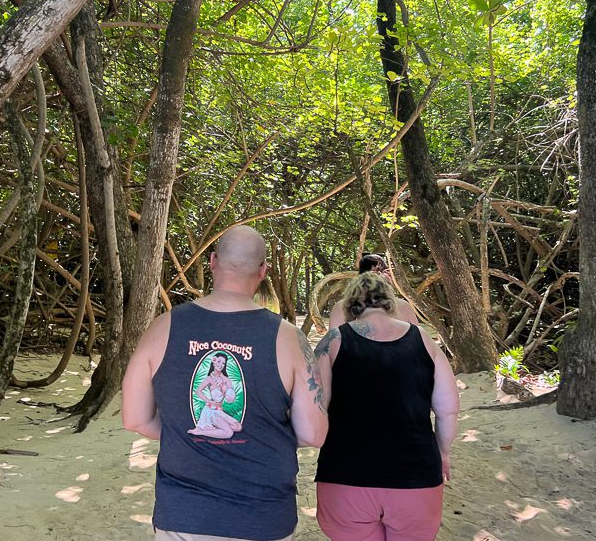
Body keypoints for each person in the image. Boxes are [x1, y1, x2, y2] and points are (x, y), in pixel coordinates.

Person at [122, 225, 328, 541]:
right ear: (263, 270)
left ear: (213, 261)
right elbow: (313, 433)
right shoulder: (289, 339)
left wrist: (182, 432)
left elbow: (135, 418)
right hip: (263, 517)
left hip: (183, 516)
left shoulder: (161, 328)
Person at [314, 272, 459, 541]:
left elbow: (315, 408)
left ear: (349, 306)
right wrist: (443, 453)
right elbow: (448, 409)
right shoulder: (424, 340)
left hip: (345, 474)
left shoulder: (333, 341)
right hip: (417, 475)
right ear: (390, 304)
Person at [327, 253, 418, 329]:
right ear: (388, 278)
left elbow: (333, 343)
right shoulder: (404, 306)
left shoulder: (341, 306)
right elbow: (417, 341)